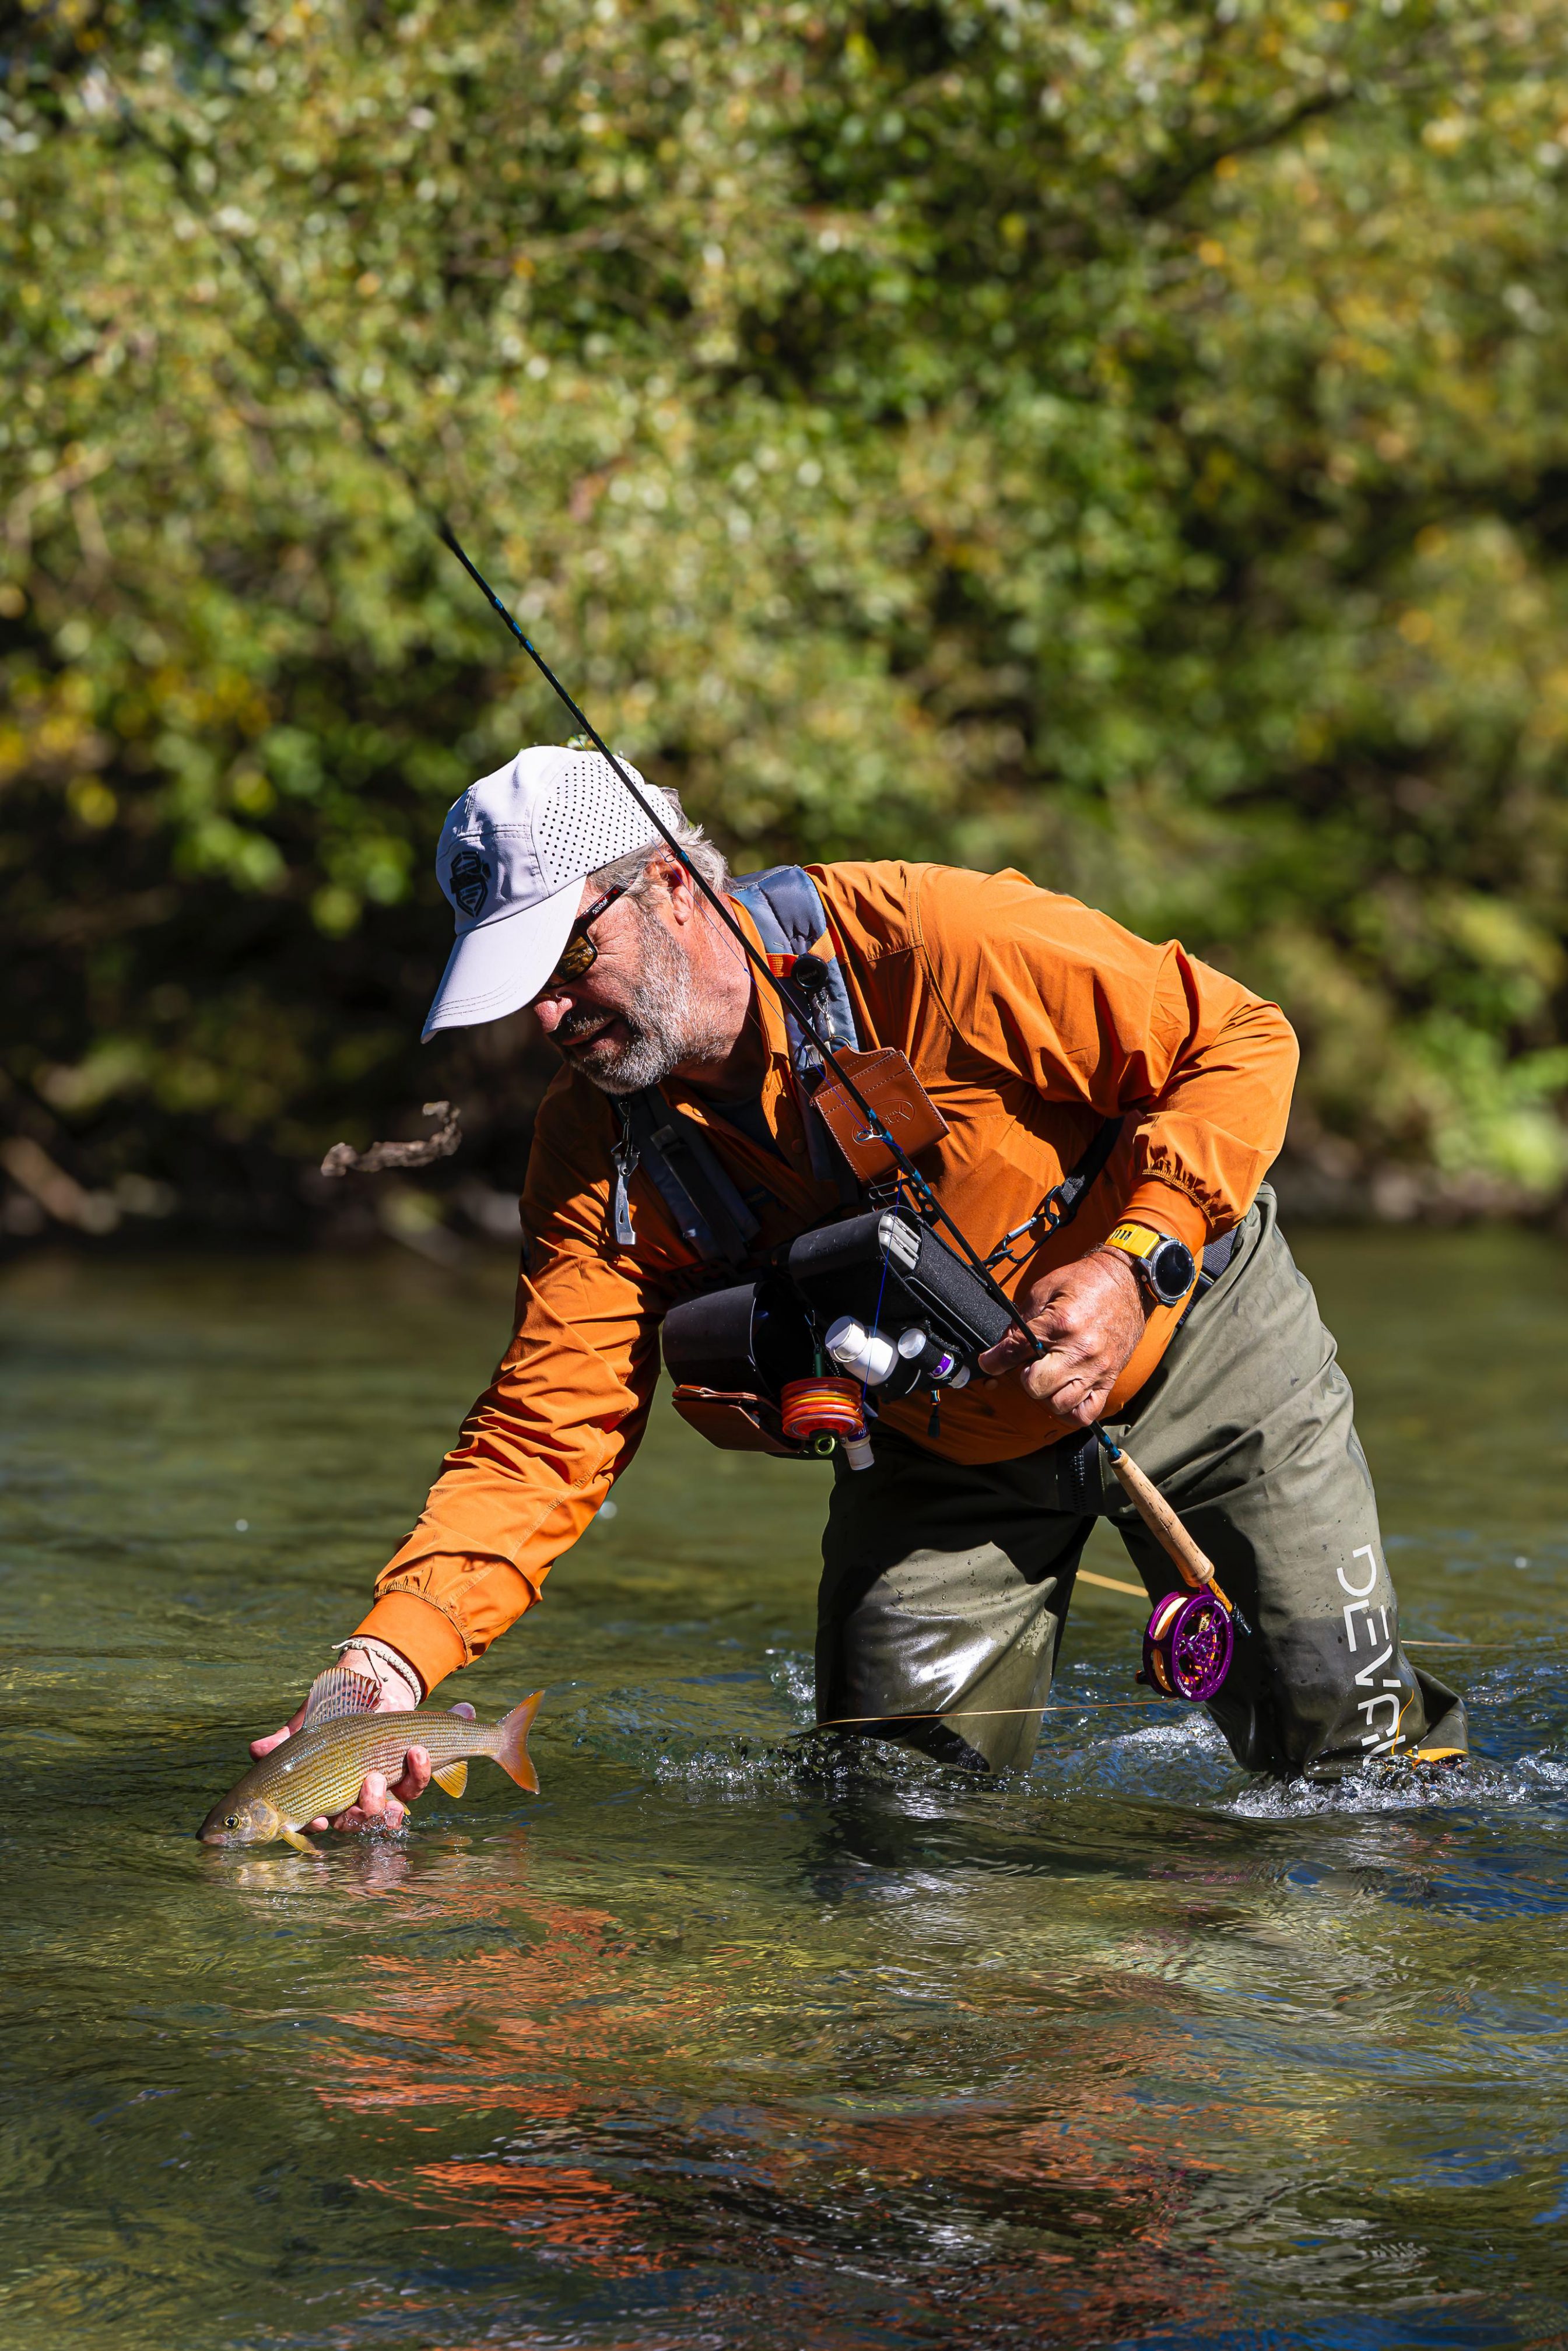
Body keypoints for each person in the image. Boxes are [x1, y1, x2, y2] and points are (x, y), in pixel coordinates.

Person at [255, 744, 1467, 1827]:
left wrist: (1134, 1258)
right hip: (938, 1456)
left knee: (1356, 1787)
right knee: (885, 1825)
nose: (551, 1015)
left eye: (568, 959)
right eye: (524, 987)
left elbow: (1237, 1038)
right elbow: (543, 1432)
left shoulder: (932, 942)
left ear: (669, 883)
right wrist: (383, 1669)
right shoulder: (591, 1148)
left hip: (1209, 1361)